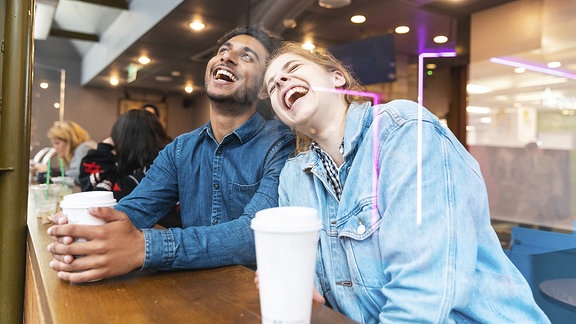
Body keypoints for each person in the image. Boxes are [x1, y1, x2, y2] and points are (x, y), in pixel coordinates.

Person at [261, 42, 549, 322]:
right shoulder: (293, 176)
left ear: (337, 77)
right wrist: (289, 277)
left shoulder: (403, 130)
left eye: (294, 67)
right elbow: (304, 278)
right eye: (273, 86)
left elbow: (424, 291)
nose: (282, 81)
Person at [46, 26, 295, 283]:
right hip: (189, 291)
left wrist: (146, 247)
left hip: (253, 295)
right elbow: (137, 208)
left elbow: (254, 233)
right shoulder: (180, 149)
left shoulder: (282, 143)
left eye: (247, 56)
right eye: (223, 50)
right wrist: (86, 231)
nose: (226, 58)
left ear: (265, 89)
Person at [78, 109, 180, 227]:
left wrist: (104, 148)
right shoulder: (164, 165)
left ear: (123, 140)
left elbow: (94, 202)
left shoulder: (144, 177)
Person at [34, 120, 97, 185]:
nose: (55, 147)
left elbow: (76, 177)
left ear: (71, 141)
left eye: (57, 143)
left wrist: (50, 173)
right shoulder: (81, 149)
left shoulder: (84, 148)